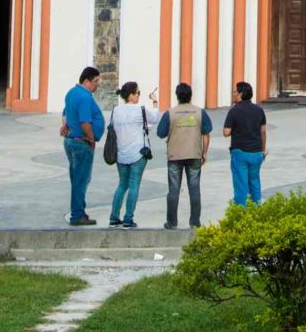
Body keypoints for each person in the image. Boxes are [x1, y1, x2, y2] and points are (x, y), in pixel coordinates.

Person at [156, 81, 213, 228]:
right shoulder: (200, 112)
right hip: (194, 154)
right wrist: (204, 152)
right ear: (190, 96)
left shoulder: (170, 113)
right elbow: (206, 134)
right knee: (194, 190)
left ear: (177, 96)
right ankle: (195, 222)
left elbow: (160, 133)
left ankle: (171, 222)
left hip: (175, 156)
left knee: (173, 191)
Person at [60, 65, 105, 226]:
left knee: (77, 178)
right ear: (86, 81)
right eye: (95, 81)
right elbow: (85, 121)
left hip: (71, 141)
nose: (97, 85)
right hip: (81, 142)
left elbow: (65, 113)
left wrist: (65, 126)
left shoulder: (71, 93)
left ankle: (79, 211)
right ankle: (77, 215)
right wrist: (91, 139)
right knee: (81, 180)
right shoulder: (85, 97)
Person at [106, 79, 154, 227]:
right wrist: (155, 102)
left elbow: (113, 127)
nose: (139, 95)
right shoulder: (141, 109)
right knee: (134, 186)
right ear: (132, 95)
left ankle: (114, 216)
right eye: (138, 93)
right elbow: (155, 118)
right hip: (138, 154)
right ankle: (128, 218)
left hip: (121, 155)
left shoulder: (116, 110)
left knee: (122, 185)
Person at [224, 80, 267, 205]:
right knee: (255, 182)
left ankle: (241, 212)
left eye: (234, 92)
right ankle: (257, 208)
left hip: (240, 152)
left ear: (241, 94)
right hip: (257, 152)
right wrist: (263, 150)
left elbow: (226, 132)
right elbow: (263, 132)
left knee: (241, 184)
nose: (233, 94)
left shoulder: (234, 110)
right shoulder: (259, 110)